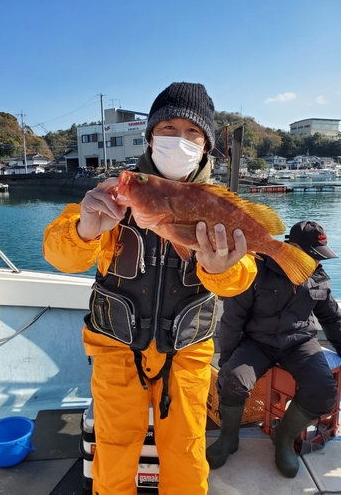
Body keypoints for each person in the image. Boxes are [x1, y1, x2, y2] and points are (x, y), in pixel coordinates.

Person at [43, 82, 258, 495]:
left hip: (187, 355)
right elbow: (61, 257)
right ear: (150, 137)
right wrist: (85, 228)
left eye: (193, 132)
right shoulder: (113, 194)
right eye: (168, 128)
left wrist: (219, 268)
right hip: (115, 350)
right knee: (113, 446)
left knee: (186, 450)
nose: (180, 139)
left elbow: (240, 277)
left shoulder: (221, 203)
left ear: (207, 146)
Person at [206, 220, 341, 478]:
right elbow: (233, 318)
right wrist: (227, 361)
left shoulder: (316, 275)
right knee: (232, 380)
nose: (314, 262)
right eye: (311, 255)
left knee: (324, 391)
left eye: (318, 257)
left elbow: (332, 320)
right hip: (257, 342)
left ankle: (284, 438)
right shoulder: (256, 268)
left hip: (299, 342)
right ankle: (228, 438)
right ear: (291, 248)